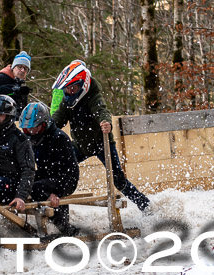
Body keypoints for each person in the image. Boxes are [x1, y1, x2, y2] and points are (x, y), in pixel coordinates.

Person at [52, 60, 151, 211]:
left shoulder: (93, 96)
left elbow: (101, 110)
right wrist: (46, 128)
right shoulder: (66, 102)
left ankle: (144, 204)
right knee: (59, 165)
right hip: (80, 145)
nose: (70, 92)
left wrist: (106, 122)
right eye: (67, 89)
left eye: (73, 88)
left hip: (102, 144)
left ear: (82, 85)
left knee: (118, 180)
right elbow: (58, 120)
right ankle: (55, 203)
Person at [19, 102, 80, 235]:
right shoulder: (32, 138)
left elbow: (68, 171)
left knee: (37, 188)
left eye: (34, 128)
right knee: (25, 183)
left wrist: (57, 191)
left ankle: (65, 228)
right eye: (27, 129)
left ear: (44, 124)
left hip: (65, 179)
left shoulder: (59, 138)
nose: (31, 132)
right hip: (46, 175)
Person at [0, 94, 35, 212]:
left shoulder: (20, 139)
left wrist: (21, 196)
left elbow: (28, 170)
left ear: (8, 116)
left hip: (11, 184)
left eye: (1, 115)